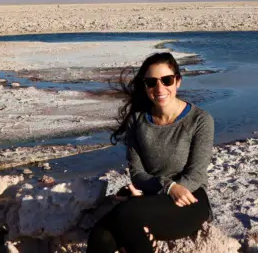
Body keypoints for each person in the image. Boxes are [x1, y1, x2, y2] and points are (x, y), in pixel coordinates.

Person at [87, 52, 214, 253]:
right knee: (99, 236)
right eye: (151, 82)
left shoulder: (200, 120)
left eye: (167, 80)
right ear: (145, 86)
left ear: (178, 81)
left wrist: (173, 189)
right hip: (152, 199)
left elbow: (196, 174)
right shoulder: (137, 122)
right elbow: (138, 175)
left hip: (190, 200)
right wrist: (167, 186)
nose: (160, 88)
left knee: (126, 214)